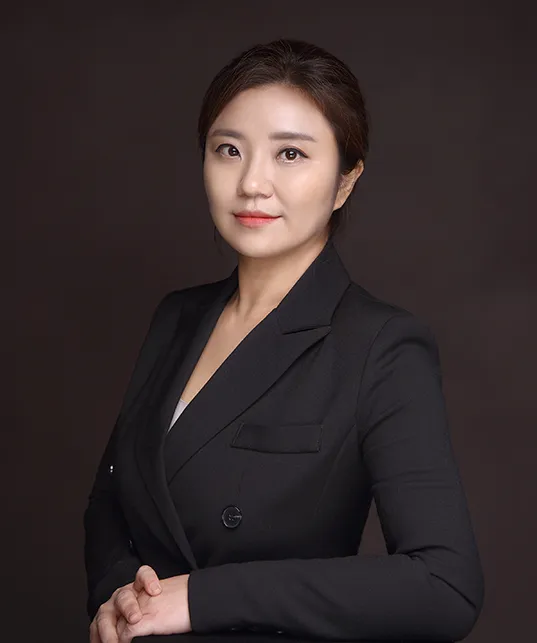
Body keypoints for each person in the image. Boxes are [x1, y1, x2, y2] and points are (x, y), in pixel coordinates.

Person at [85, 38, 485, 643]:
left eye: (290, 154)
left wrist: (203, 598)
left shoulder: (381, 346)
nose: (252, 183)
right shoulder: (177, 317)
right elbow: (111, 501)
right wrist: (119, 595)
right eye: (228, 150)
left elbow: (445, 585)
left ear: (346, 181)